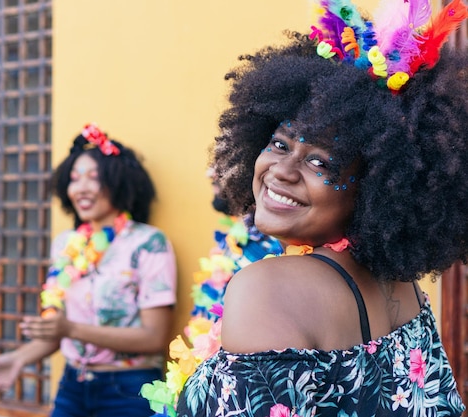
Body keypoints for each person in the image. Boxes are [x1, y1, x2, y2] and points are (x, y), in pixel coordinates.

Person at [173, 0, 468, 415]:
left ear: (377, 188)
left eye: (320, 162)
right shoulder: (402, 288)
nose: (281, 171)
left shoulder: (267, 289)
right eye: (279, 144)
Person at [0, 123, 177, 417]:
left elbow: (154, 337)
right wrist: (18, 359)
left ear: (118, 182)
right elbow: (59, 331)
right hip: (72, 386)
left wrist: (70, 329)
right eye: (74, 179)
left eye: (93, 178)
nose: (81, 188)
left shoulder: (147, 243)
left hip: (128, 390)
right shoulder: (66, 245)